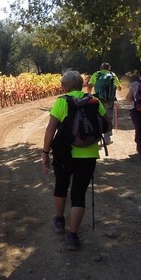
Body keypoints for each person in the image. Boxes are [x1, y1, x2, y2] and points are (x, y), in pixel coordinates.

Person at [42, 70, 111, 251]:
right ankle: (73, 236)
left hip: (64, 153)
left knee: (61, 185)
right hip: (88, 155)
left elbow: (50, 130)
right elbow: (107, 124)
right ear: (81, 84)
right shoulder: (93, 101)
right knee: (79, 193)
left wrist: (45, 152)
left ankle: (59, 219)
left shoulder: (61, 102)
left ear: (65, 86)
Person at [86, 63, 122, 145]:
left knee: (98, 118)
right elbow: (119, 88)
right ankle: (107, 139)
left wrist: (90, 94)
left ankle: (97, 137)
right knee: (108, 118)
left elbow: (89, 86)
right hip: (109, 100)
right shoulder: (112, 74)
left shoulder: (96, 74)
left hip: (98, 100)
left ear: (100, 68)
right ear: (109, 68)